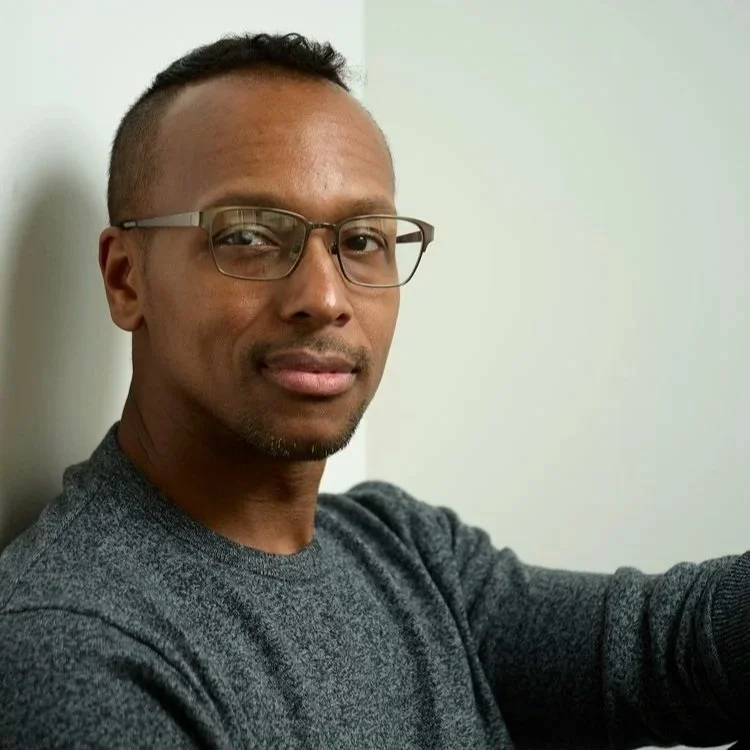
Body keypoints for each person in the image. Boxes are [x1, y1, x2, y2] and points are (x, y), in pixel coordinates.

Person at [0, 32, 746, 749]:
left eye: (362, 241)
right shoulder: (78, 649)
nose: (324, 298)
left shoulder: (403, 549)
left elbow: (673, 651)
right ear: (126, 279)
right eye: (249, 235)